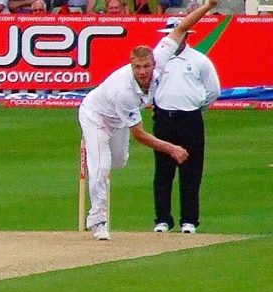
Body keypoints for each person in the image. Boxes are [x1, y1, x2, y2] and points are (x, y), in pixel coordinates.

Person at [77, 0, 216, 241]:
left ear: (154, 63)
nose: (142, 72)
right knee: (101, 167)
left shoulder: (160, 57)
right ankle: (98, 220)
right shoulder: (124, 91)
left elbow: (182, 28)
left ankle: (100, 156)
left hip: (119, 120)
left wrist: (208, 5)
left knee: (118, 162)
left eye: (145, 66)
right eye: (137, 67)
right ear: (131, 66)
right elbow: (139, 134)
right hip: (95, 116)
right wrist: (172, 148)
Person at [151, 16, 220, 234]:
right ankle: (162, 219)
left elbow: (213, 90)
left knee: (191, 171)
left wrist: (196, 108)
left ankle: (189, 220)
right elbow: (150, 86)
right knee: (163, 172)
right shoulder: (158, 60)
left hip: (190, 120)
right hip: (164, 119)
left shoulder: (199, 60)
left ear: (186, 36)